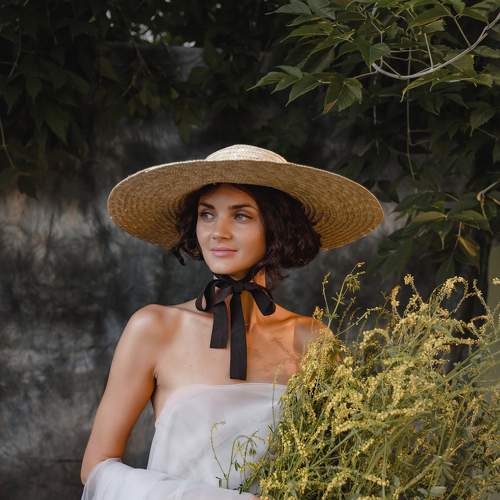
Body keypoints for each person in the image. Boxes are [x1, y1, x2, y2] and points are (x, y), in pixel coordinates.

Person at [80, 144, 384, 499]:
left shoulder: (311, 339)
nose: (218, 232)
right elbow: (96, 467)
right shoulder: (155, 328)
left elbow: (348, 469)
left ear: (277, 229)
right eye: (207, 214)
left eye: (241, 216)